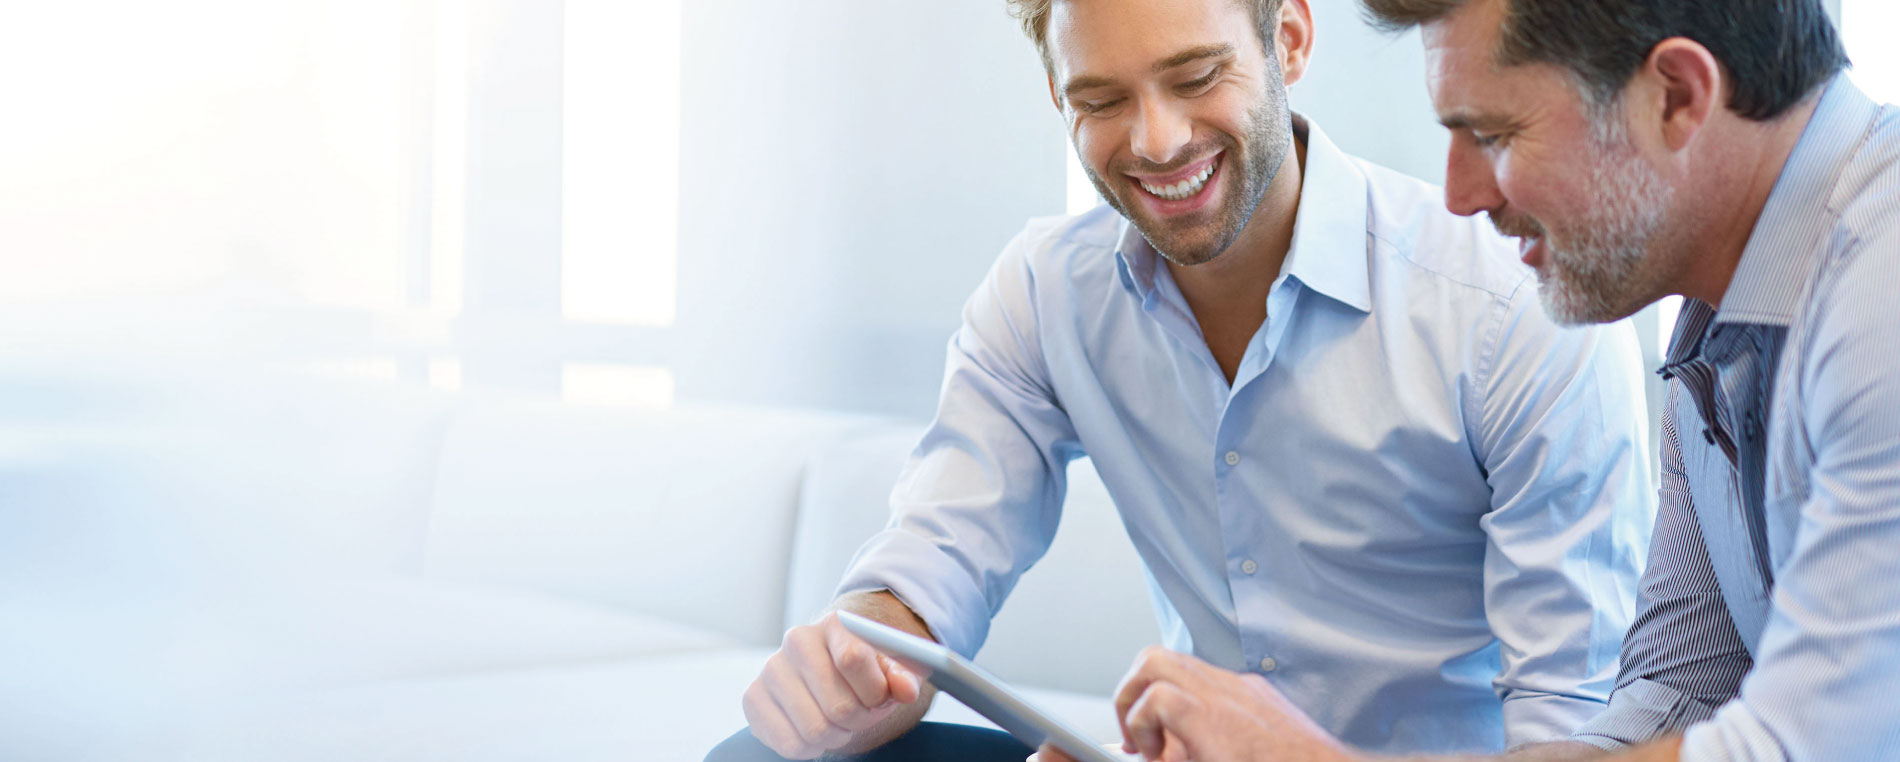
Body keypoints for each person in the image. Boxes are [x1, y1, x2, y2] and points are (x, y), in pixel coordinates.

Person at [708, 0, 1656, 759]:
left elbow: (1573, 730)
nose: (1156, 142)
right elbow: (931, 561)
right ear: (1057, 94)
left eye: (1197, 77)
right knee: (759, 757)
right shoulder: (1047, 293)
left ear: (1289, 39)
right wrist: (856, 659)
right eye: (1101, 100)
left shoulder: (1510, 309)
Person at [1057, 0, 1900, 760]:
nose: (1459, 195)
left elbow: (1811, 745)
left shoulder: (1880, 282)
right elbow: (1670, 701)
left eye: (1494, 135)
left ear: (1676, 96)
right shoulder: (1720, 327)